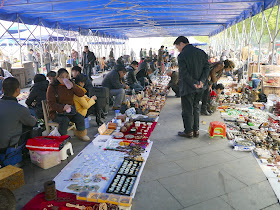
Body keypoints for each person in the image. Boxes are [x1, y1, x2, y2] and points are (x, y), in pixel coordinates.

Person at [174, 36, 210, 138]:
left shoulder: (182, 55)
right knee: (196, 107)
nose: (178, 49)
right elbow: (207, 69)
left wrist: (194, 83)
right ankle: (196, 130)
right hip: (201, 87)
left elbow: (184, 73)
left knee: (187, 109)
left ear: (181, 43)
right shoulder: (201, 52)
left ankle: (188, 131)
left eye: (177, 47)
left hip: (188, 87)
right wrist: (201, 81)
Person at [47, 68, 90, 141]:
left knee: (80, 117)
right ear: (57, 78)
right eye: (62, 77)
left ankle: (81, 134)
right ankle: (63, 139)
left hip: (71, 111)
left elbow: (81, 94)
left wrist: (73, 87)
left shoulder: (70, 84)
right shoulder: (52, 87)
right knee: (64, 120)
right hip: (57, 113)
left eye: (67, 76)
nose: (65, 79)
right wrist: (62, 107)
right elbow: (51, 103)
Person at [0, 77, 36, 149]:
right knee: (33, 127)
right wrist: (33, 119)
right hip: (8, 145)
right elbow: (32, 123)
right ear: (18, 90)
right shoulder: (20, 109)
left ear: (2, 90)